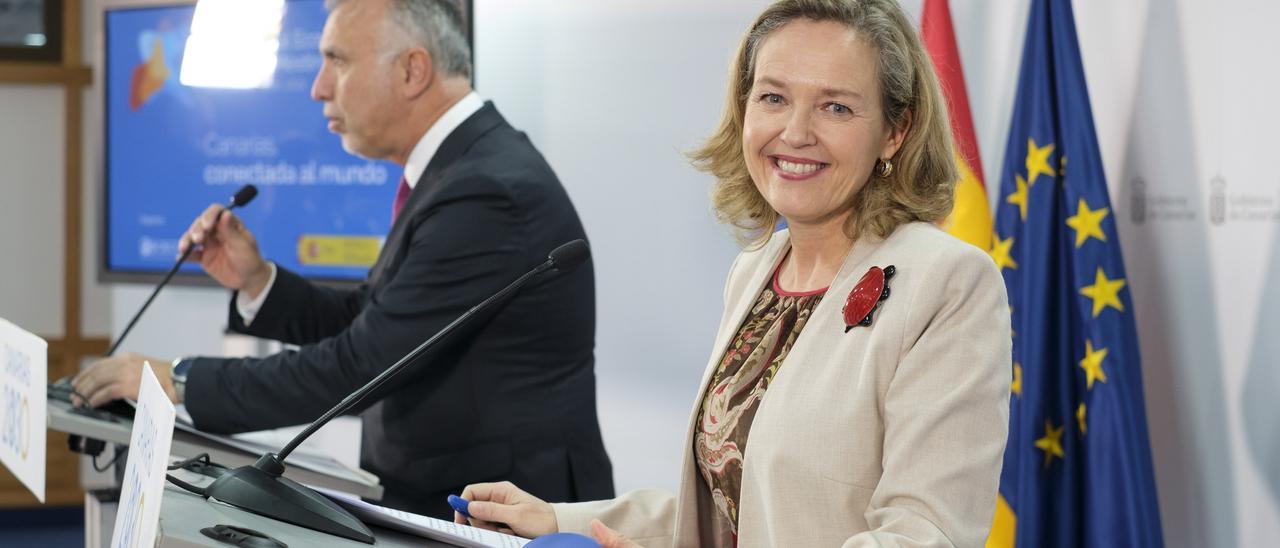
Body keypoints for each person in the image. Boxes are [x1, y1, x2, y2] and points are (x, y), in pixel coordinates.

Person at [453, 0, 1011, 546]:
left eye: (835, 107)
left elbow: (924, 534)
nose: (795, 132)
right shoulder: (755, 270)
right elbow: (737, 506)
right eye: (773, 97)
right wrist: (558, 521)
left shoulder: (948, 282)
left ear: (895, 131)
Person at [73, 0, 614, 519]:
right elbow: (376, 321)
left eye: (336, 59)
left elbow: (361, 364)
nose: (317, 87)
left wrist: (178, 380)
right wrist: (257, 281)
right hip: (456, 498)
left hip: (500, 514)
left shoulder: (484, 191)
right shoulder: (462, 168)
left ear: (412, 71)